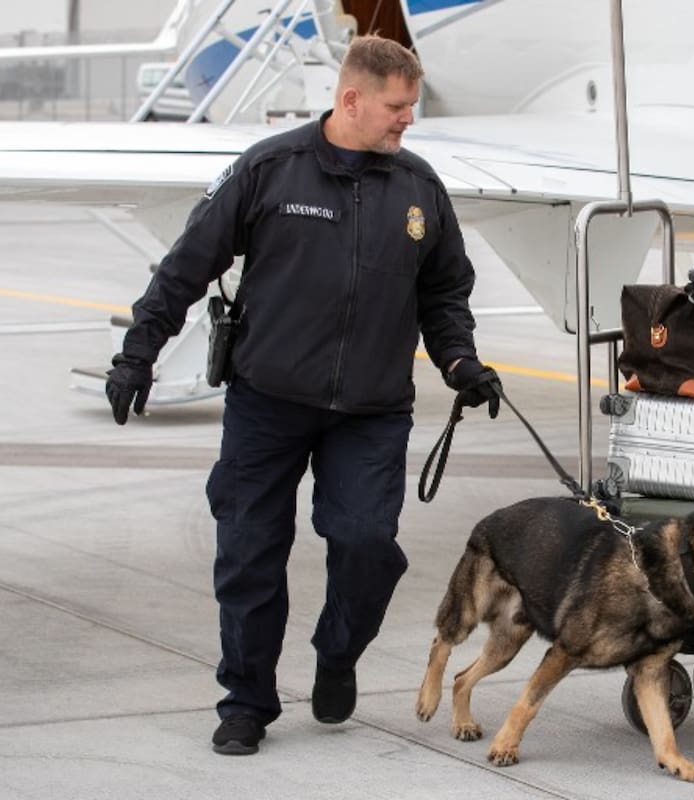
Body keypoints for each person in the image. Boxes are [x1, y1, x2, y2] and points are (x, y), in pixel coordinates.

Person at [104, 34, 502, 756]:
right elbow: (185, 267)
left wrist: (460, 361)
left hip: (373, 411)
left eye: (410, 107)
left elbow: (445, 291)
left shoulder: (418, 188)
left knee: (365, 543)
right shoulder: (269, 169)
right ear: (351, 99)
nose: (407, 120)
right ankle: (246, 700)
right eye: (396, 107)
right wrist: (138, 355)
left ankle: (338, 651)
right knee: (249, 552)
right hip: (268, 402)